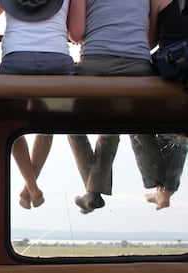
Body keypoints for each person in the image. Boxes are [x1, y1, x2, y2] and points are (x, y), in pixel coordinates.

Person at [67, 0, 152, 214]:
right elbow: (150, 41)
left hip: (96, 62)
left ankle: (93, 192)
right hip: (138, 65)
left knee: (68, 118)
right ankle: (92, 193)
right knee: (111, 120)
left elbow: (76, 34)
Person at [0, 0, 83, 209]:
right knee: (47, 122)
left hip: (15, 59)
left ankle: (32, 187)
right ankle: (30, 188)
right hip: (57, 61)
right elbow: (76, 33)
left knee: (10, 124)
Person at [130, 0, 188, 210]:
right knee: (179, 131)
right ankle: (165, 191)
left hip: (172, 68)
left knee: (135, 120)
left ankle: (158, 187)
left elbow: (149, 41)